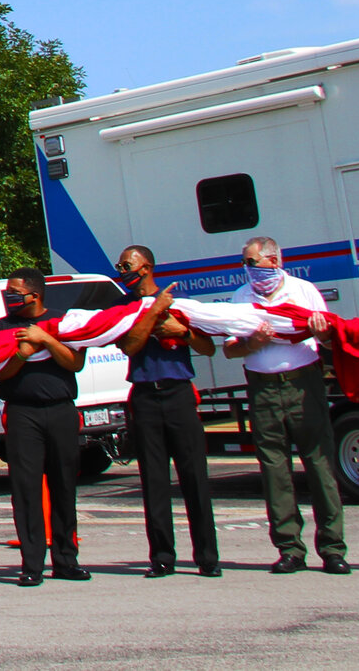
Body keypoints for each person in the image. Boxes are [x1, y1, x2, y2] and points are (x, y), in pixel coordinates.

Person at [226, 236, 348, 575]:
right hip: (263, 390)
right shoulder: (241, 298)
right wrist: (253, 343)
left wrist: (321, 331)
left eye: (253, 262)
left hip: (303, 385)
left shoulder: (303, 290)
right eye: (245, 264)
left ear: (274, 260)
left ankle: (333, 548)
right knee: (274, 470)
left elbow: (328, 338)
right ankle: (289, 548)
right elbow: (230, 349)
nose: (249, 270)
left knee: (320, 464)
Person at [115, 246, 221, 578]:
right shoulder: (124, 307)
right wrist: (151, 313)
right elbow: (129, 345)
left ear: (146, 267)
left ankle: (207, 556)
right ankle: (162, 556)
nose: (123, 271)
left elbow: (208, 347)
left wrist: (183, 333)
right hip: (145, 396)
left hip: (178, 394)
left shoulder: (177, 302)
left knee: (194, 478)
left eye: (127, 265)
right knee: (154, 480)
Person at [0, 268, 88, 586]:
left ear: (34, 295)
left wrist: (46, 338)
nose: (9, 298)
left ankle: (66, 560)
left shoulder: (63, 322)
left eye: (14, 292)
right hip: (23, 414)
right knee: (26, 491)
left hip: (60, 410)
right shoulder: (1, 327)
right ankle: (32, 563)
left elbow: (76, 362)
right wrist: (23, 354)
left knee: (64, 486)